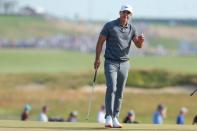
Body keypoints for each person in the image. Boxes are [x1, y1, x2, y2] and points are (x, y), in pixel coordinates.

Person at [94, 4, 144, 128]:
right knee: (111, 88)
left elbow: (138, 45)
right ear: (119, 13)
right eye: (124, 13)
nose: (126, 15)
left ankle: (115, 117)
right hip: (111, 62)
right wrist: (97, 58)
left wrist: (141, 41)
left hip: (125, 63)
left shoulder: (132, 28)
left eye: (128, 13)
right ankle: (108, 117)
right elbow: (100, 42)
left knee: (120, 92)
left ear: (130, 15)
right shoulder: (110, 26)